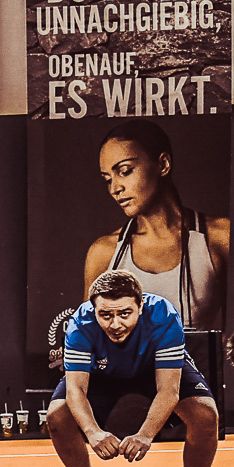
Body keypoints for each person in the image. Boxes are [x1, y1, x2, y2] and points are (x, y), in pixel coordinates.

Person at [47, 270, 219, 467]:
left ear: (141, 306)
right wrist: (92, 432)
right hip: (102, 373)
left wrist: (145, 434)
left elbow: (169, 391)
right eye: (105, 315)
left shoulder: (163, 315)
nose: (115, 324)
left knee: (205, 414)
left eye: (124, 314)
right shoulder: (80, 323)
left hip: (155, 369)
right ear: (94, 310)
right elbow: (76, 390)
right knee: (57, 416)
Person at [84, 119, 228, 331]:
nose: (115, 188)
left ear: (163, 164)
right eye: (107, 178)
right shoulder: (104, 253)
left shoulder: (220, 236)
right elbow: (89, 347)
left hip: (196, 364)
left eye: (124, 171)